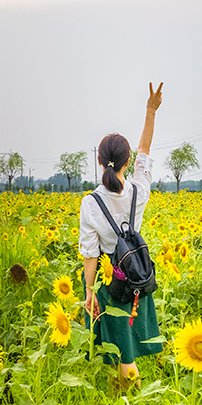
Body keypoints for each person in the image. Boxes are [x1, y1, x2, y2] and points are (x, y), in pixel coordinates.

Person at [80, 83, 164, 382]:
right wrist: (150, 111)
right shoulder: (139, 191)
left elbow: (91, 256)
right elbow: (146, 150)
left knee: (122, 353)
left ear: (100, 161)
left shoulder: (91, 203)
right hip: (135, 273)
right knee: (125, 342)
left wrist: (89, 292)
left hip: (108, 278)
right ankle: (121, 397)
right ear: (127, 162)